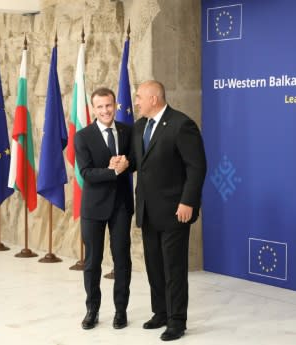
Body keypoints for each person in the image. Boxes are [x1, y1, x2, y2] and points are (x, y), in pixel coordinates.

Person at [130, 80, 206, 341]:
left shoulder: (181, 124)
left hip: (176, 210)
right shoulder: (140, 126)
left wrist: (188, 201)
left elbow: (196, 167)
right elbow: (137, 161)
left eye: (139, 96)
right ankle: (160, 312)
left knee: (173, 268)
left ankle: (177, 321)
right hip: (147, 211)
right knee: (154, 266)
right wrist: (123, 162)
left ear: (154, 98)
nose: (136, 101)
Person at [74, 87, 133, 330]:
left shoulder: (127, 131)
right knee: (92, 261)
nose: (105, 110)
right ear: (93, 109)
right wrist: (111, 171)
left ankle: (121, 311)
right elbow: (86, 173)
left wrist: (126, 163)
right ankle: (92, 310)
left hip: (121, 205)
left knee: (122, 260)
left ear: (115, 105)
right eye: (100, 107)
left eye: (109, 105)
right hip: (93, 208)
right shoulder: (83, 136)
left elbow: (136, 161)